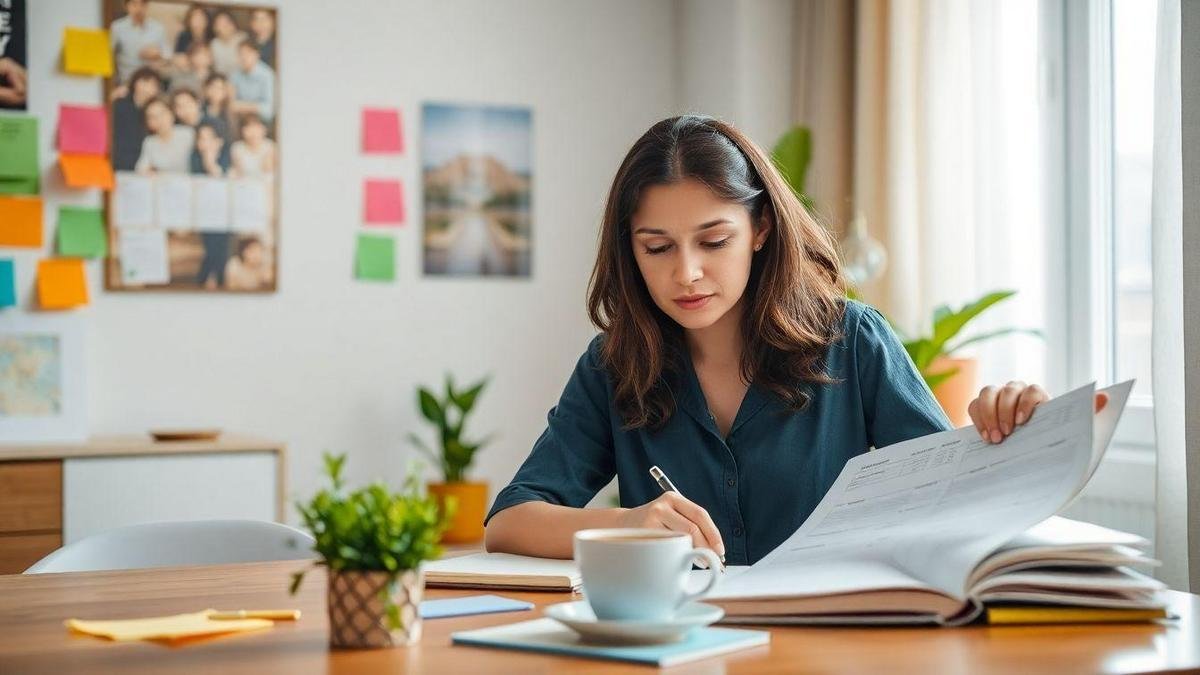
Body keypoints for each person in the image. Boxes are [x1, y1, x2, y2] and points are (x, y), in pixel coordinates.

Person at [483, 115, 1108, 565]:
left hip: (832, 645)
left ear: (759, 230)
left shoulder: (853, 342)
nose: (686, 273)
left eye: (713, 240)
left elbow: (945, 497)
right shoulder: (615, 365)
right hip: (680, 649)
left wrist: (1008, 425)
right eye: (658, 248)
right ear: (631, 250)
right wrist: (629, 525)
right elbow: (510, 521)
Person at [111, 67, 163, 171]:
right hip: (117, 160)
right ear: (135, 82)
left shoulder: (157, 111)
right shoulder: (119, 105)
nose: (147, 87)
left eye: (153, 85)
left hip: (143, 165)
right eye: (145, 81)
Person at [109, 0, 170, 84]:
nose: (138, 9)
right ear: (126, 6)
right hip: (127, 82)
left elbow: (168, 56)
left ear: (147, 6)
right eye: (134, 4)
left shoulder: (158, 28)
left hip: (153, 81)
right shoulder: (117, 28)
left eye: (142, 4)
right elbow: (108, 56)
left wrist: (158, 54)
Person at [134, 97, 195, 174]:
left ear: (171, 114)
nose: (159, 119)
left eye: (162, 113)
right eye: (152, 117)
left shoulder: (188, 134)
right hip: (162, 183)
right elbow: (140, 168)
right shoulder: (150, 142)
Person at [229, 41, 275, 124]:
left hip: (262, 122)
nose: (244, 57)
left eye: (248, 53)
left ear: (257, 54)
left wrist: (243, 106)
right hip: (242, 121)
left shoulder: (267, 75)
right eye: (240, 54)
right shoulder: (235, 75)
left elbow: (268, 110)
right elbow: (232, 105)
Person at [230, 112, 275, 177]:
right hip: (244, 184)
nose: (253, 132)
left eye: (256, 127)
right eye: (248, 128)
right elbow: (239, 172)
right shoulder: (237, 147)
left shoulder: (271, 146)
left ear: (264, 129)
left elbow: (269, 172)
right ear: (242, 131)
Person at [171, 4, 212, 70]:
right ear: (189, 20)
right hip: (186, 69)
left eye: (201, 17)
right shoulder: (183, 36)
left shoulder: (211, 37)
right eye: (195, 17)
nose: (198, 21)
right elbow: (177, 57)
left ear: (207, 21)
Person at [208, 9, 246, 76]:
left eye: (227, 22)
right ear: (215, 27)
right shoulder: (214, 44)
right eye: (220, 23)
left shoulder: (243, 38)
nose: (225, 26)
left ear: (233, 24)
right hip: (221, 80)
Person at [201, 72, 234, 140]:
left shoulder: (231, 112)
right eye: (213, 87)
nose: (216, 91)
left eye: (220, 88)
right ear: (206, 89)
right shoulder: (200, 110)